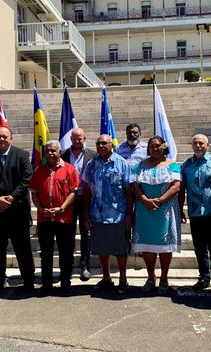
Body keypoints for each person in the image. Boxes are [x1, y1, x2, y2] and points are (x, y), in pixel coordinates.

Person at [0, 126, 35, 292]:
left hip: (17, 210)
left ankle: (28, 279)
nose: (2, 139)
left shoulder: (21, 155)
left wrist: (11, 198)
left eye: (5, 137)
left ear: (11, 139)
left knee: (22, 247)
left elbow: (26, 180)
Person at [82, 134, 133, 295]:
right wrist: (85, 214)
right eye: (98, 143)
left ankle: (123, 279)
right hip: (97, 214)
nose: (101, 145)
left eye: (104, 143)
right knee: (102, 249)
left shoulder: (122, 163)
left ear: (111, 145)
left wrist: (129, 214)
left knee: (120, 250)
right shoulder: (91, 164)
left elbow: (128, 191)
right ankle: (106, 278)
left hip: (117, 214)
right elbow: (87, 191)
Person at [132, 135, 182, 296]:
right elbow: (135, 185)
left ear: (164, 147)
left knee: (164, 245)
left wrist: (160, 200)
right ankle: (150, 277)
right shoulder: (140, 165)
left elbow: (176, 186)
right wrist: (145, 199)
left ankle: (164, 278)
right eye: (152, 146)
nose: (154, 148)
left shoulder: (172, 165)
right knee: (148, 245)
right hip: (145, 210)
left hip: (165, 210)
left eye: (157, 145)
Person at [29, 141, 79, 293]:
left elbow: (73, 192)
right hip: (45, 219)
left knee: (65, 252)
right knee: (46, 253)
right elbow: (34, 193)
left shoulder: (69, 169)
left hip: (64, 219)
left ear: (59, 152)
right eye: (47, 151)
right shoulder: (39, 170)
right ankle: (47, 283)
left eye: (53, 151)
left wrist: (61, 208)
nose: (50, 153)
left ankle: (65, 282)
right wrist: (40, 208)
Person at [179, 134, 211, 296]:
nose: (198, 146)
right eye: (195, 143)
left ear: (208, 145)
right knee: (200, 248)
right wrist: (180, 209)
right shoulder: (186, 165)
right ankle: (204, 276)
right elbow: (181, 189)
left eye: (201, 143)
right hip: (195, 213)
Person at [61, 127, 96, 281]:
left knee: (86, 233)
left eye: (79, 138)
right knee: (68, 233)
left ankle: (85, 265)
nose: (77, 141)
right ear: (70, 139)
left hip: (86, 198)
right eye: (74, 138)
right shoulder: (63, 155)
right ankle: (67, 265)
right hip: (68, 200)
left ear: (84, 138)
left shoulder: (93, 155)